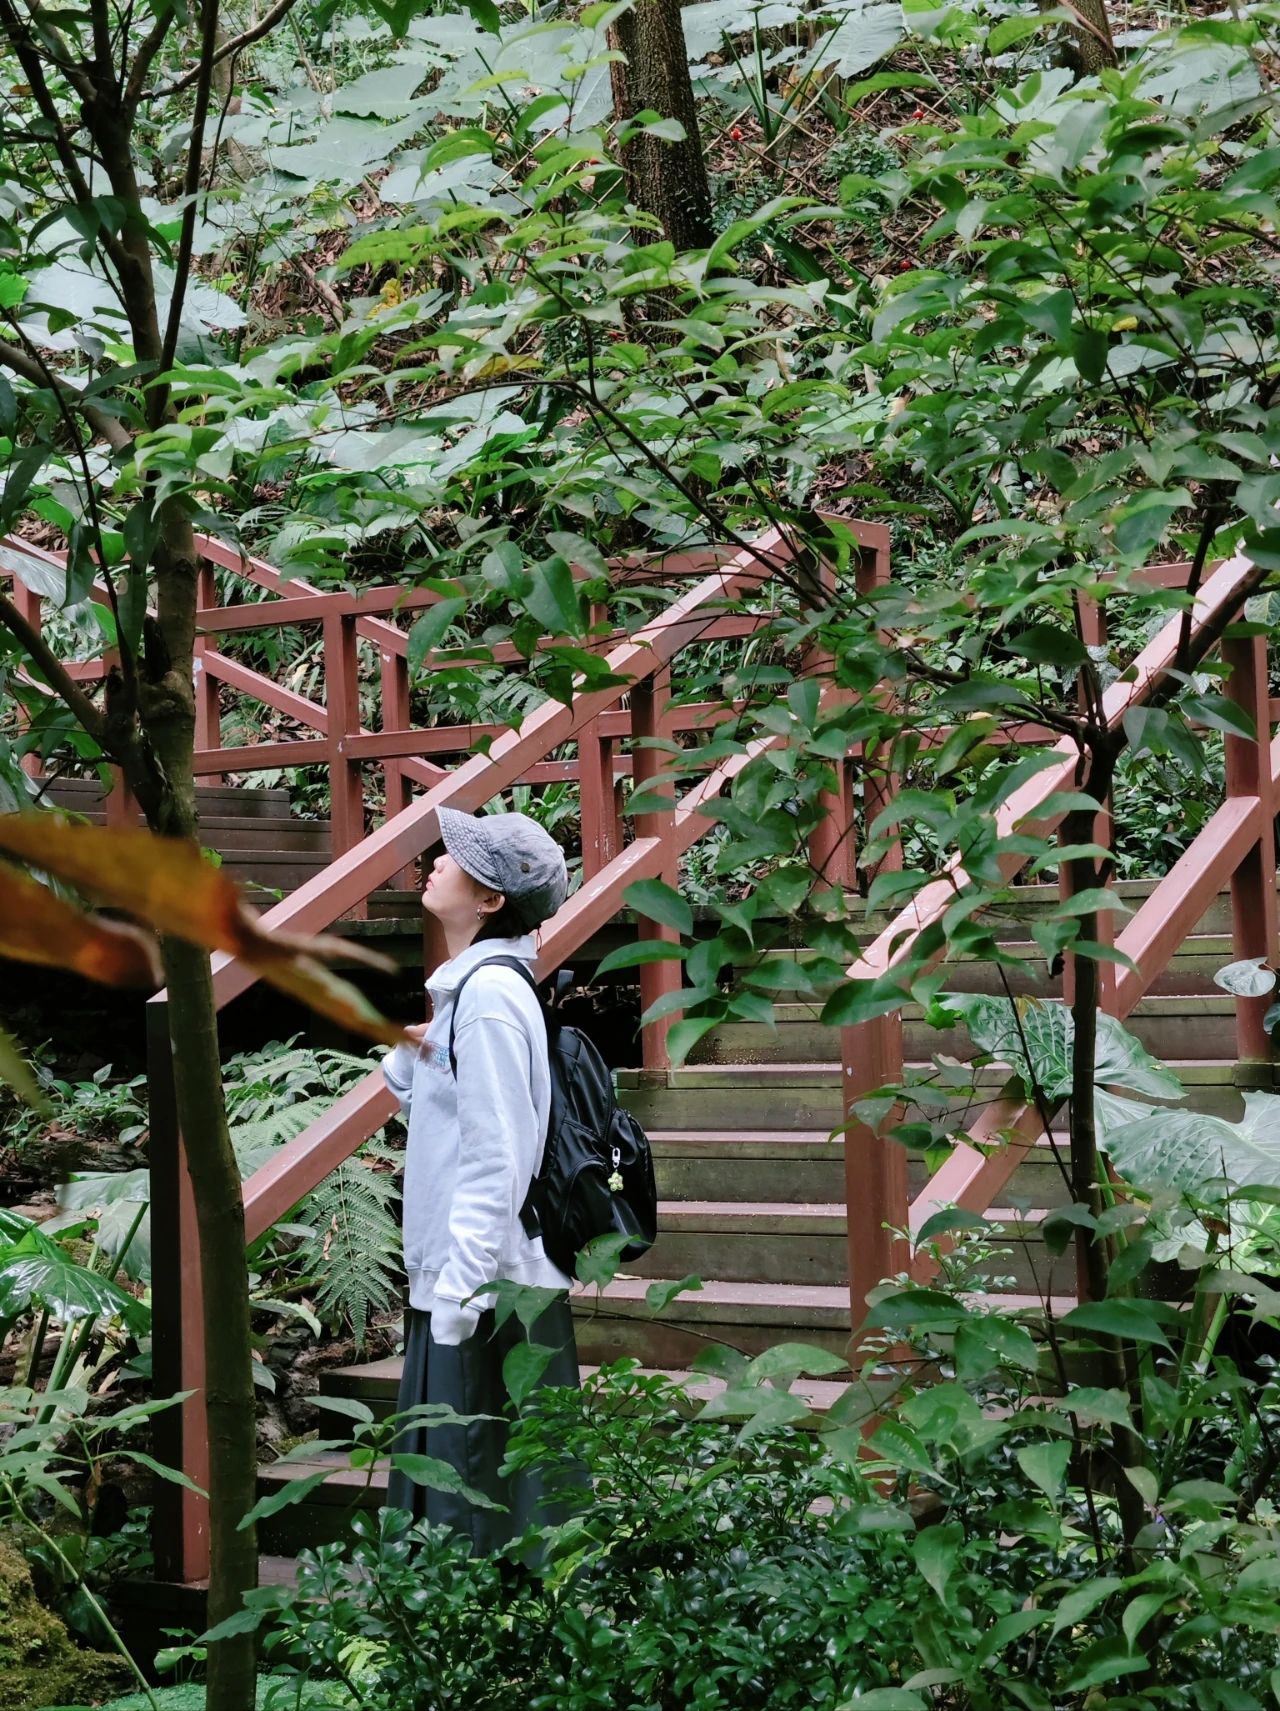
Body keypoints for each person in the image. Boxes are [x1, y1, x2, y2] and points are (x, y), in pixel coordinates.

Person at [381, 806, 577, 1551]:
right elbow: (460, 1109)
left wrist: (458, 1298)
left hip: (484, 1288)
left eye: (457, 857)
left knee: (476, 1502)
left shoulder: (490, 998)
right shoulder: (478, 991)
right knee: (490, 1496)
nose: (436, 861)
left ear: (491, 900)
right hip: (481, 1281)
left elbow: (498, 1157)